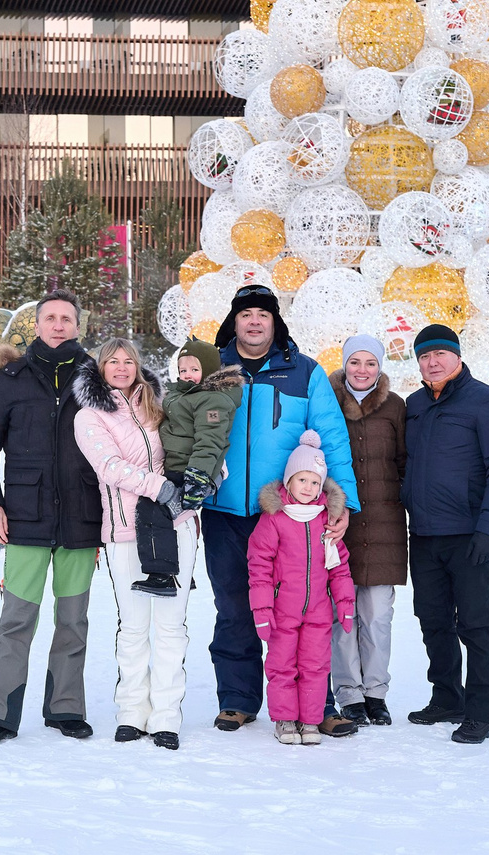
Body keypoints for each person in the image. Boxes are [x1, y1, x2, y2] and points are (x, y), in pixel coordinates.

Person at [199, 284, 357, 734]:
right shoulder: (215, 369)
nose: (254, 322)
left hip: (292, 515)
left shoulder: (303, 372)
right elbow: (184, 427)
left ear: (275, 321)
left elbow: (332, 438)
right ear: (234, 322)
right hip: (224, 510)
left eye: (262, 315)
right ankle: (237, 699)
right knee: (233, 604)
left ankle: (319, 707)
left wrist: (341, 502)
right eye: (245, 314)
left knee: (305, 609)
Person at [0, 291, 102, 745]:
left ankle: (66, 709)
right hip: (24, 519)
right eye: (51, 318)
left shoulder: (98, 378)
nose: (59, 325)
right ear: (37, 326)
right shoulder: (10, 379)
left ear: (78, 326)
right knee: (16, 621)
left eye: (67, 318)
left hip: (82, 519)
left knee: (73, 621)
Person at [399, 325, 489, 744]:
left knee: (476, 625)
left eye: (440, 355)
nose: (432, 363)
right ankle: (447, 697)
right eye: (424, 356)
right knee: (432, 621)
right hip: (425, 536)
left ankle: (481, 713)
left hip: (471, 535)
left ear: (457, 356)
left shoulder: (488, 402)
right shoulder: (414, 405)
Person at [74, 339, 192, 751]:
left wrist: (207, 473)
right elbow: (108, 466)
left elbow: (189, 446)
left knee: (171, 625)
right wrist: (159, 485)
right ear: (101, 368)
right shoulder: (90, 416)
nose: (121, 368)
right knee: (135, 625)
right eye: (113, 362)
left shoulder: (157, 408)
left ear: (139, 367)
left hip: (176, 527)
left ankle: (165, 718)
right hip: (125, 532)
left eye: (129, 361)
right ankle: (131, 714)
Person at [247, 431, 358, 746]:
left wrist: (346, 603)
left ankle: (310, 721)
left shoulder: (327, 519)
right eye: (302, 480)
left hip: (318, 611)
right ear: (288, 482)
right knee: (282, 665)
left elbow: (339, 566)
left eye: (315, 482)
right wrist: (263, 609)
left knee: (315, 665)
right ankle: (284, 720)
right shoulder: (274, 519)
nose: (308, 488)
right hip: (283, 609)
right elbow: (259, 566)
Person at [333, 334, 407, 731]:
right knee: (342, 614)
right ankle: (348, 693)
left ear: (380, 367)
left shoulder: (396, 407)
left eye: (370, 363)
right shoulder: (327, 402)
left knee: (378, 614)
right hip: (336, 525)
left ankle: (375, 693)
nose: (362, 370)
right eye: (355, 362)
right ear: (345, 363)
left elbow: (405, 461)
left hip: (385, 524)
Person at [155, 338, 239, 598]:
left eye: (194, 369)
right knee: (168, 518)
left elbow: (210, 439)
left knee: (165, 516)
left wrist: (198, 476)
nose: (187, 375)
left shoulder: (212, 400)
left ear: (210, 370)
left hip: (189, 470)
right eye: (183, 370)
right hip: (175, 466)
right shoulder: (182, 395)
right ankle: (176, 571)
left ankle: (168, 573)